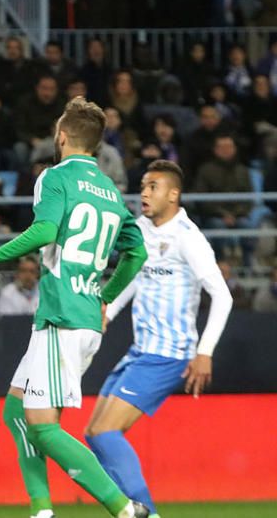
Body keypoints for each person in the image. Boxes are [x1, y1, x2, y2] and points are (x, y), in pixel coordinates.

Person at [0, 97, 151, 518]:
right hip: (79, 316)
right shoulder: (112, 191)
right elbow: (136, 253)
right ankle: (42, 510)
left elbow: (44, 230)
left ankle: (125, 508)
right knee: (16, 411)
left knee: (43, 426)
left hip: (63, 318)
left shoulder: (54, 177)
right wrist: (106, 295)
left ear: (61, 136)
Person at [87, 160, 232, 517]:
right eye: (143, 186)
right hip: (140, 352)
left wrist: (205, 352)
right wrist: (106, 309)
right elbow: (132, 279)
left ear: (173, 194)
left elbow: (223, 296)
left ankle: (145, 513)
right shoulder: (140, 230)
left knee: (106, 433)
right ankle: (132, 511)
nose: (145, 193)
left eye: (153, 187)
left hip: (169, 355)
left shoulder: (188, 238)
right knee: (93, 433)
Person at [193, 134, 254, 264]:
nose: (226, 150)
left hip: (239, 215)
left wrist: (235, 214)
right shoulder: (206, 170)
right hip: (214, 216)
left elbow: (249, 197)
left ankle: (248, 265)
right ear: (215, 150)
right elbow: (201, 198)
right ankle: (220, 264)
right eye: (222, 147)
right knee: (217, 226)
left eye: (229, 146)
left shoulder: (243, 170)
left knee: (248, 227)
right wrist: (223, 214)